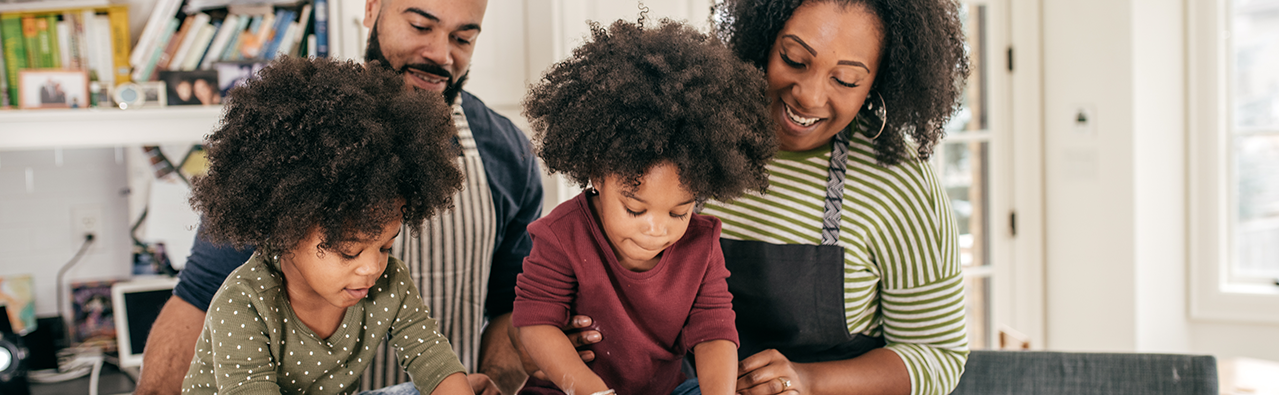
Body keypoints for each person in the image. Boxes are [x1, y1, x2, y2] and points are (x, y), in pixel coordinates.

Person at [537, 0, 972, 394]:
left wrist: (809, 380)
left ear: (879, 81)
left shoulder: (898, 183)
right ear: (764, 39)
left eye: (845, 79)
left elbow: (938, 354)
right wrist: (576, 343)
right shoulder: (687, 136)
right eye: (795, 59)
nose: (810, 95)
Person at [136, 0, 545, 393]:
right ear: (371, 9)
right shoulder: (293, 142)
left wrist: (496, 382)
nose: (440, 54)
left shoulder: (507, 154)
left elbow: (512, 305)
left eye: (463, 38)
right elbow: (199, 297)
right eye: (420, 26)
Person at [512, 19, 777, 395]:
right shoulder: (561, 235)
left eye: (679, 212)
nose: (657, 229)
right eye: (635, 209)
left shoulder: (702, 244)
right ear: (597, 175)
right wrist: (592, 391)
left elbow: (715, 329)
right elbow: (534, 323)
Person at [180, 56, 471, 395]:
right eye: (349, 251)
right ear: (286, 231)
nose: (372, 267)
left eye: (386, 246)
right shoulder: (243, 304)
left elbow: (432, 359)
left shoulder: (389, 282)